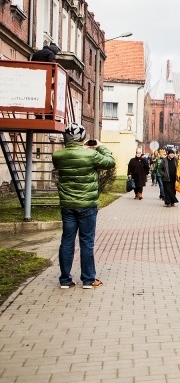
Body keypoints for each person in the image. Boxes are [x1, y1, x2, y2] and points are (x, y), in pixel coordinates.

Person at [52, 122, 116, 289]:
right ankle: (88, 279)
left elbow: (71, 158)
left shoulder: (57, 156)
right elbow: (110, 162)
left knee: (67, 241)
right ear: (83, 137)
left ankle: (65, 280)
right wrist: (100, 146)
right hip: (87, 205)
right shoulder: (90, 155)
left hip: (67, 205)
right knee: (86, 242)